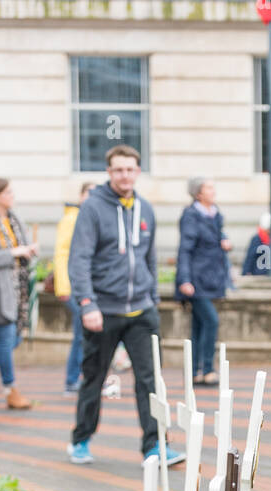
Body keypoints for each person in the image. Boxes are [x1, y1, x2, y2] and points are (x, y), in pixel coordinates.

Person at [67, 144, 183, 465]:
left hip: (141, 311)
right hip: (102, 312)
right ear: (109, 172)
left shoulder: (144, 208)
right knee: (95, 378)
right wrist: (87, 303)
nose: (125, 175)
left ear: (138, 171)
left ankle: (155, 445)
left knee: (150, 381)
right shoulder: (92, 208)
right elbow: (79, 259)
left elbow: (149, 257)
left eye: (130, 169)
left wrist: (154, 299)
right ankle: (80, 440)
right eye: (118, 170)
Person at [0, 177, 37, 410]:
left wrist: (27, 251)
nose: (12, 196)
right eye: (7, 193)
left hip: (15, 288)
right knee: (6, 338)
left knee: (12, 338)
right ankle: (11, 390)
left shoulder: (13, 218)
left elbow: (19, 247)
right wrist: (13, 253)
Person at [176, 177, 232, 387]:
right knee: (211, 321)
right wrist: (184, 280)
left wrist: (223, 241)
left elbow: (216, 237)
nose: (213, 190)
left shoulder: (215, 214)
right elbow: (185, 249)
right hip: (195, 279)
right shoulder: (191, 216)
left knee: (198, 326)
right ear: (198, 193)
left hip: (211, 277)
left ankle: (194, 372)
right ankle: (207, 369)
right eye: (208, 187)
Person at [54, 181, 95, 394]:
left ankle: (83, 377)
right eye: (89, 193)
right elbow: (61, 254)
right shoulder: (71, 219)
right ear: (81, 196)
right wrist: (63, 287)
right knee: (81, 334)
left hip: (87, 287)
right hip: (72, 287)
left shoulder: (89, 217)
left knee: (86, 334)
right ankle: (72, 380)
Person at [242, 213, 271, 277]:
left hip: (269, 274)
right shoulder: (257, 239)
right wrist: (245, 272)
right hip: (258, 274)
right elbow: (250, 257)